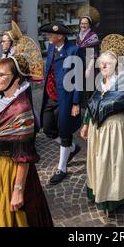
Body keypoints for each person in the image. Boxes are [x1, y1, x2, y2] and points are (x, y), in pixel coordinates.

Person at [0, 55, 53, 227]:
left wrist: (18, 190)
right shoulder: (1, 101)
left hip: (12, 171)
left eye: (1, 75)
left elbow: (24, 156)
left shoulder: (21, 109)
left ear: (17, 78)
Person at [80, 35, 124, 214]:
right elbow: (92, 105)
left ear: (115, 65)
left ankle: (115, 199)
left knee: (115, 163)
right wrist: (86, 124)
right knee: (98, 161)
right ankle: (99, 192)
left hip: (116, 130)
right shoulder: (99, 84)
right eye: (101, 64)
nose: (103, 67)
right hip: (98, 131)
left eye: (107, 64)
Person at [40, 23, 83, 185]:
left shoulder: (74, 50)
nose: (48, 37)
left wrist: (76, 102)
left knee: (65, 131)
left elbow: (78, 78)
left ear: (60, 36)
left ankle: (62, 168)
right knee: (48, 128)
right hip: (50, 96)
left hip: (66, 98)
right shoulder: (51, 48)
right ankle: (72, 148)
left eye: (51, 34)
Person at [76, 15, 100, 103]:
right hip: (80, 64)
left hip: (90, 66)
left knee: (89, 88)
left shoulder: (92, 36)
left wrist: (88, 69)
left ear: (89, 25)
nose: (83, 25)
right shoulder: (79, 35)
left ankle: (90, 110)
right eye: (82, 23)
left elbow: (93, 55)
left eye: (85, 23)